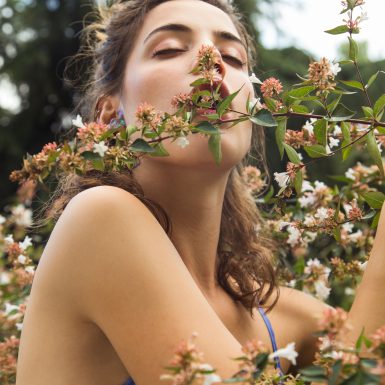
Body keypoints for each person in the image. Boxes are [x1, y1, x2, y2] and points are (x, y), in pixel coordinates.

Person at [15, 1, 385, 385]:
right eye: (170, 49)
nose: (211, 62)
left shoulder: (285, 314)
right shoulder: (98, 218)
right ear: (109, 115)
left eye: (232, 56)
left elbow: (363, 366)